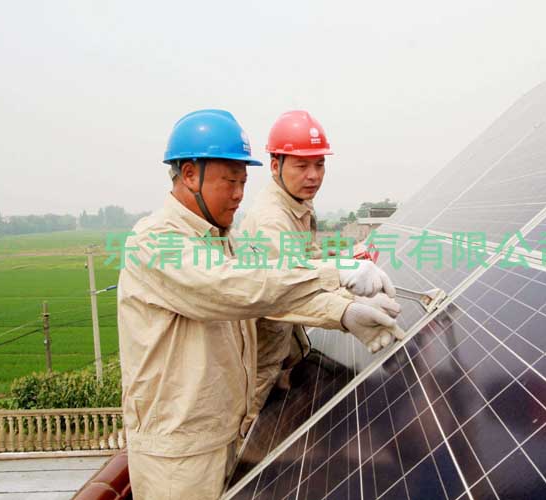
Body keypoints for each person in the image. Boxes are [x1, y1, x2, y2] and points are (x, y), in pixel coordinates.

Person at [117, 109, 400, 500]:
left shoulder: (223, 239)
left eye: (243, 182)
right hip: (179, 450)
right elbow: (235, 287)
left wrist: (342, 312)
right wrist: (334, 274)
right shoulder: (155, 242)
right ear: (189, 175)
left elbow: (269, 292)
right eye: (229, 182)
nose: (238, 194)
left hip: (223, 432)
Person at [241, 110, 402, 425]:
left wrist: (348, 271)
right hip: (260, 373)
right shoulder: (271, 221)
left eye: (319, 164)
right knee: (259, 441)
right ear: (275, 165)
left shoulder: (296, 205)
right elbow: (290, 291)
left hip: (284, 356)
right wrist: (348, 309)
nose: (313, 175)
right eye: (302, 166)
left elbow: (309, 262)